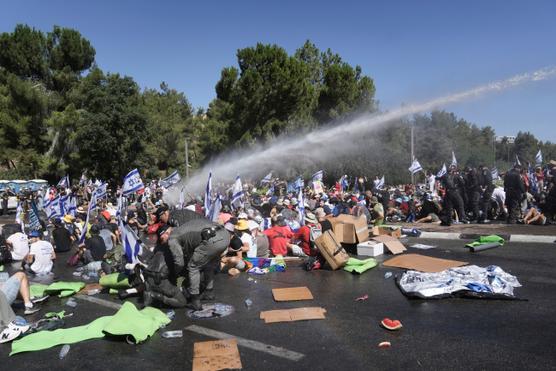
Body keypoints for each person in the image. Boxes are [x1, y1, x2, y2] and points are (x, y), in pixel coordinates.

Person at [166, 218, 231, 311]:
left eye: (162, 238)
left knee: (193, 267)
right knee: (209, 264)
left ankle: (195, 301)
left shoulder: (172, 238)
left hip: (212, 240)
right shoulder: (183, 227)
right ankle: (209, 292)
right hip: (225, 236)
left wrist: (176, 273)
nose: (163, 241)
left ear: (166, 233)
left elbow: (179, 262)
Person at [141, 225, 188, 308]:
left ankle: (150, 293)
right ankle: (157, 296)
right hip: (161, 280)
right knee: (182, 302)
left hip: (149, 279)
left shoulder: (157, 246)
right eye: (171, 231)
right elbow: (180, 266)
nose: (174, 232)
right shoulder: (174, 245)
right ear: (165, 234)